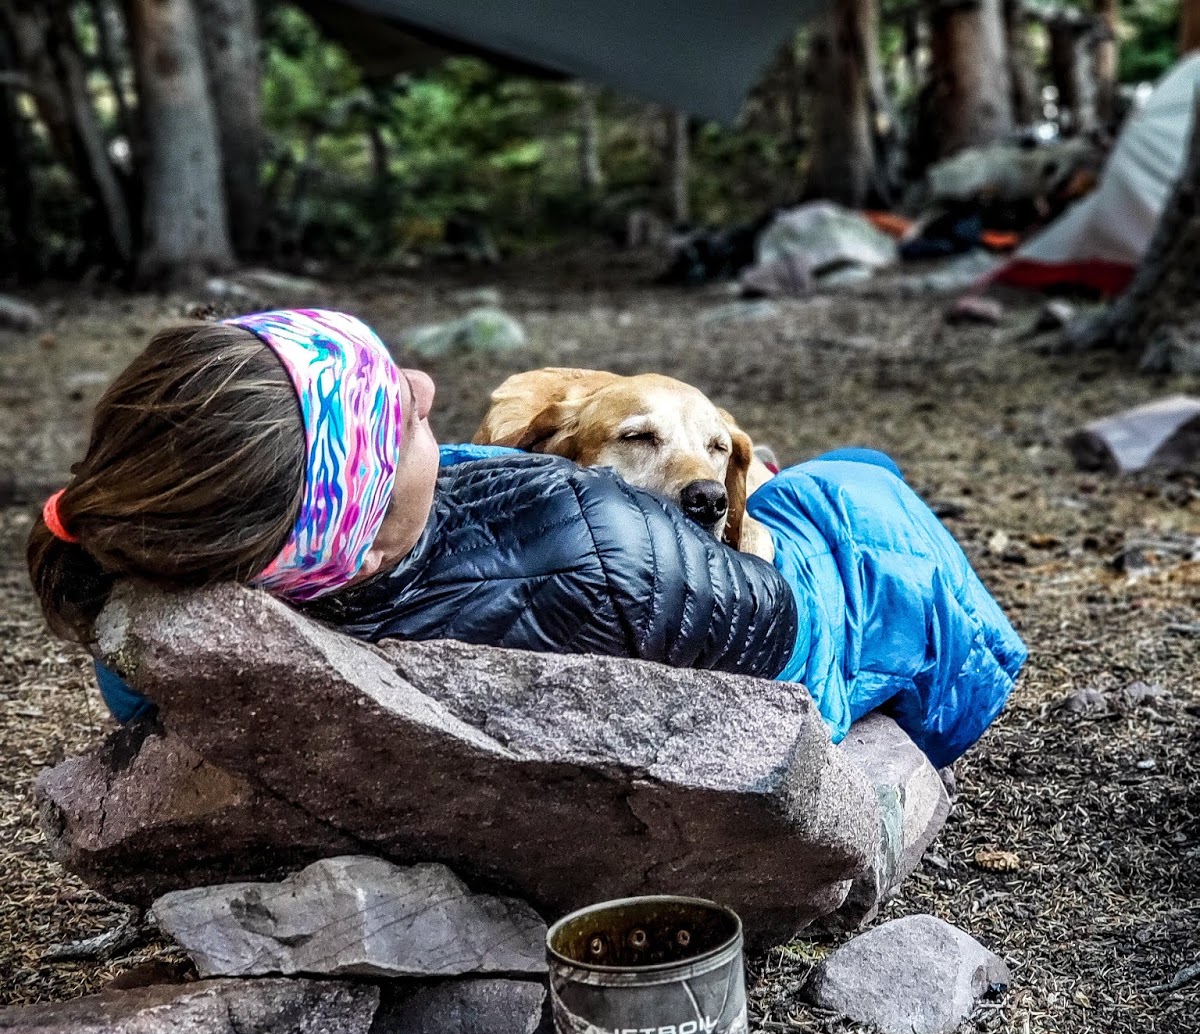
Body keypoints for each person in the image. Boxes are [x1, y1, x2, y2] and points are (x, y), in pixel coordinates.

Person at [28, 309, 1025, 768]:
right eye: (403, 421)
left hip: (670, 587)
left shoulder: (186, 583)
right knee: (860, 481)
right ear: (364, 539)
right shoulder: (578, 533)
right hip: (793, 610)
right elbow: (772, 600)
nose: (425, 387)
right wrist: (751, 506)